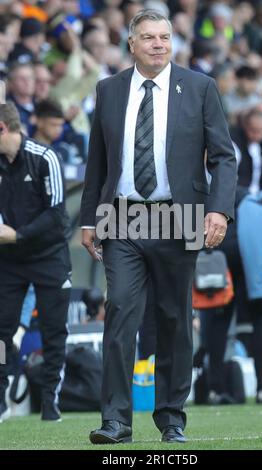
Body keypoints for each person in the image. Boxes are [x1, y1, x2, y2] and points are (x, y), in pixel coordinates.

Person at [80, 9, 236, 445]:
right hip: (122, 216)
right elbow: (97, 161)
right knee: (119, 316)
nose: (157, 44)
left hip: (179, 213)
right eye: (147, 37)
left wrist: (219, 211)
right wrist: (89, 219)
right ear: (131, 44)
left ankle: (171, 419)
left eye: (164, 37)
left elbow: (224, 156)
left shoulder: (201, 87)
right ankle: (115, 421)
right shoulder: (108, 90)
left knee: (174, 320)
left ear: (173, 42)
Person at [0, 102, 71, 423]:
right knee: (1, 332)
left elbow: (57, 215)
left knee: (54, 331)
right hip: (10, 261)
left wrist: (18, 234)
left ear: (3, 128)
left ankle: (50, 401)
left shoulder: (44, 158)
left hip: (49, 256)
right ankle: (1, 395)